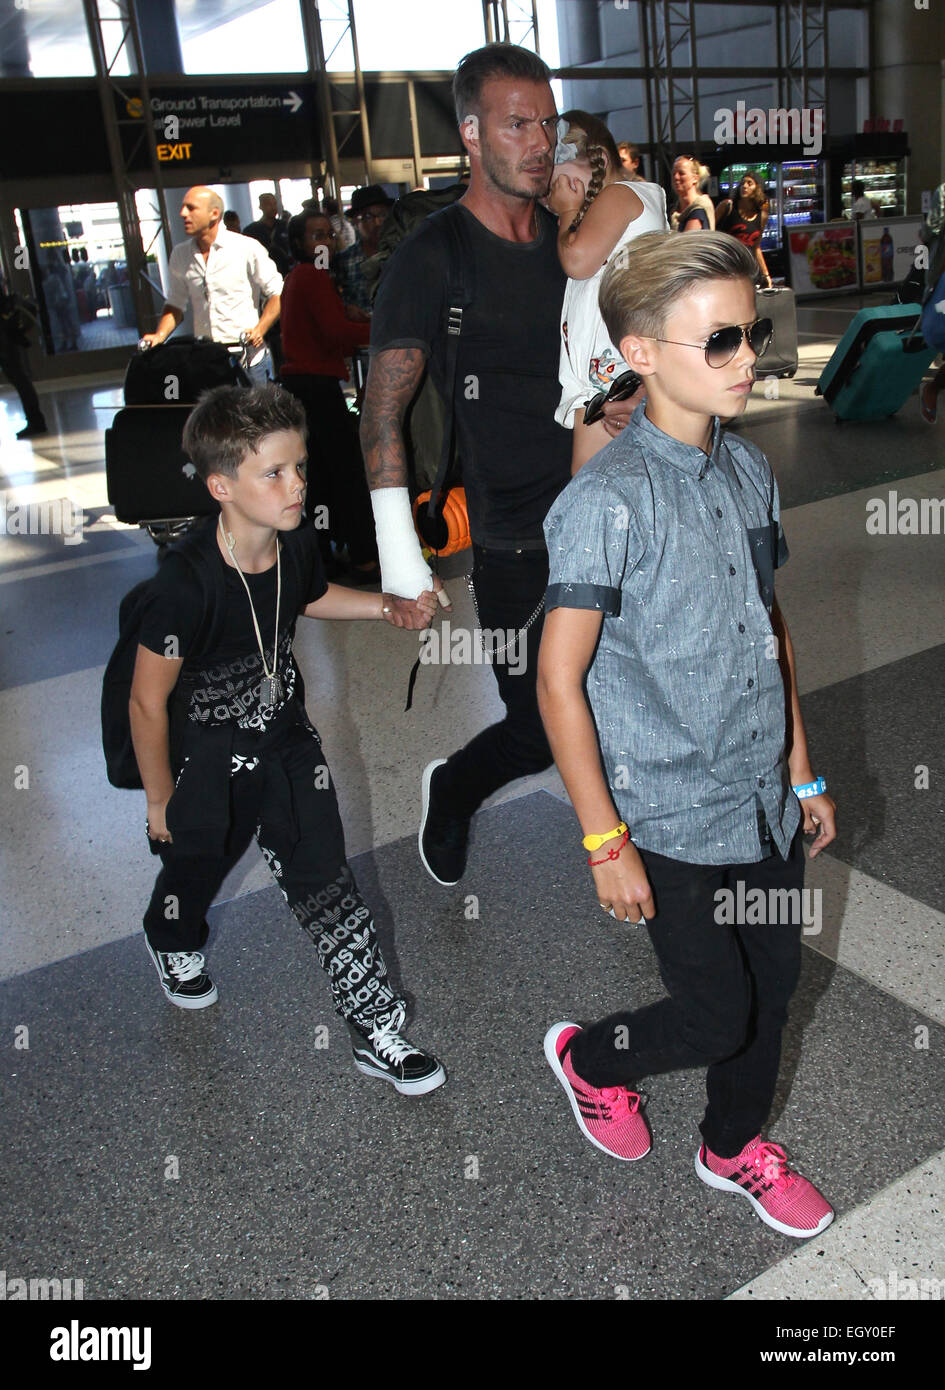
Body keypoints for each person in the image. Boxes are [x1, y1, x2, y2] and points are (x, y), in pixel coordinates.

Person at [537, 230, 837, 1239]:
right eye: (721, 342)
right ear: (642, 352)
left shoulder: (749, 471)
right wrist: (601, 839)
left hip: (760, 797)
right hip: (664, 813)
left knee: (777, 983)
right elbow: (558, 677)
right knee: (715, 1011)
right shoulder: (604, 504)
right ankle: (591, 1059)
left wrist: (800, 775)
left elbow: (769, 627)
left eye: (750, 335)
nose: (750, 358)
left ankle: (731, 1144)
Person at [361, 42, 634, 889]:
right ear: (471, 134)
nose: (540, 140)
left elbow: (611, 351)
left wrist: (626, 398)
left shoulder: (571, 238)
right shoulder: (434, 253)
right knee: (536, 722)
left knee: (621, 696)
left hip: (608, 505)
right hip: (514, 534)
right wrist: (402, 563)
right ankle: (455, 787)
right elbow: (381, 409)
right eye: (518, 123)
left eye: (548, 120)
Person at [128, 383, 444, 1094]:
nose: (297, 483)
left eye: (298, 467)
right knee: (196, 865)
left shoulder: (294, 541)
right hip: (203, 761)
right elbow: (146, 703)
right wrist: (159, 801)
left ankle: (374, 1028)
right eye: (274, 473)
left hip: (286, 746)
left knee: (327, 883)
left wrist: (385, 608)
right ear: (221, 486)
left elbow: (307, 595)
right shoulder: (183, 585)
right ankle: (169, 935)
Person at [547, 109, 668, 472]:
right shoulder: (629, 200)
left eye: (562, 184)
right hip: (603, 380)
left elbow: (577, 260)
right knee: (587, 483)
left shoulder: (620, 196)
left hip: (616, 374)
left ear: (597, 161)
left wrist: (568, 211)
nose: (553, 198)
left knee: (595, 484)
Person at [279, 211, 380, 582]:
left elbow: (326, 325)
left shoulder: (302, 277)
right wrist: (379, 328)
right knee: (347, 473)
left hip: (303, 388)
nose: (326, 242)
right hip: (317, 388)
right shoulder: (312, 277)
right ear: (299, 245)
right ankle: (365, 557)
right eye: (316, 236)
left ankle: (322, 555)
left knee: (320, 475)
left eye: (329, 234)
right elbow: (336, 332)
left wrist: (347, 314)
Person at [140, 186, 282, 386]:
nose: (182, 214)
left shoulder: (246, 248)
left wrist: (260, 328)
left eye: (191, 208)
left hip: (248, 357)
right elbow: (175, 304)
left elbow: (277, 293)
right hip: (206, 358)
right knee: (214, 416)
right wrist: (159, 336)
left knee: (256, 416)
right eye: (182, 208)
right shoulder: (180, 255)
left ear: (214, 214)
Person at [333, 185, 394, 316]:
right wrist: (346, 309)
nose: (378, 222)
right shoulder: (344, 261)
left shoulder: (400, 254)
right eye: (368, 217)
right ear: (355, 221)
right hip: (360, 332)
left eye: (383, 215)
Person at [0, 281, 48, 439]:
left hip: (4, 338)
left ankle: (35, 421)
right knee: (20, 379)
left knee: (20, 380)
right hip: (7, 336)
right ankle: (36, 420)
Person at [715, 171, 772, 286]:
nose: (744, 186)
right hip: (726, 268)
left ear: (758, 188)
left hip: (747, 270)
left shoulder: (762, 215)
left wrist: (766, 275)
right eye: (742, 183)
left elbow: (756, 247)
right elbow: (709, 232)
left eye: (749, 183)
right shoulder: (727, 206)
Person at [242, 191, 291, 274]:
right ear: (261, 207)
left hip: (285, 270)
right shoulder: (251, 230)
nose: (273, 207)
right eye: (269, 204)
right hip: (262, 273)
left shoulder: (285, 226)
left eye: (274, 204)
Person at [670, 156, 715, 231]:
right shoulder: (673, 211)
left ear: (695, 178)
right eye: (674, 173)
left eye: (681, 173)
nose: (676, 177)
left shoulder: (699, 209)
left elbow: (687, 241)